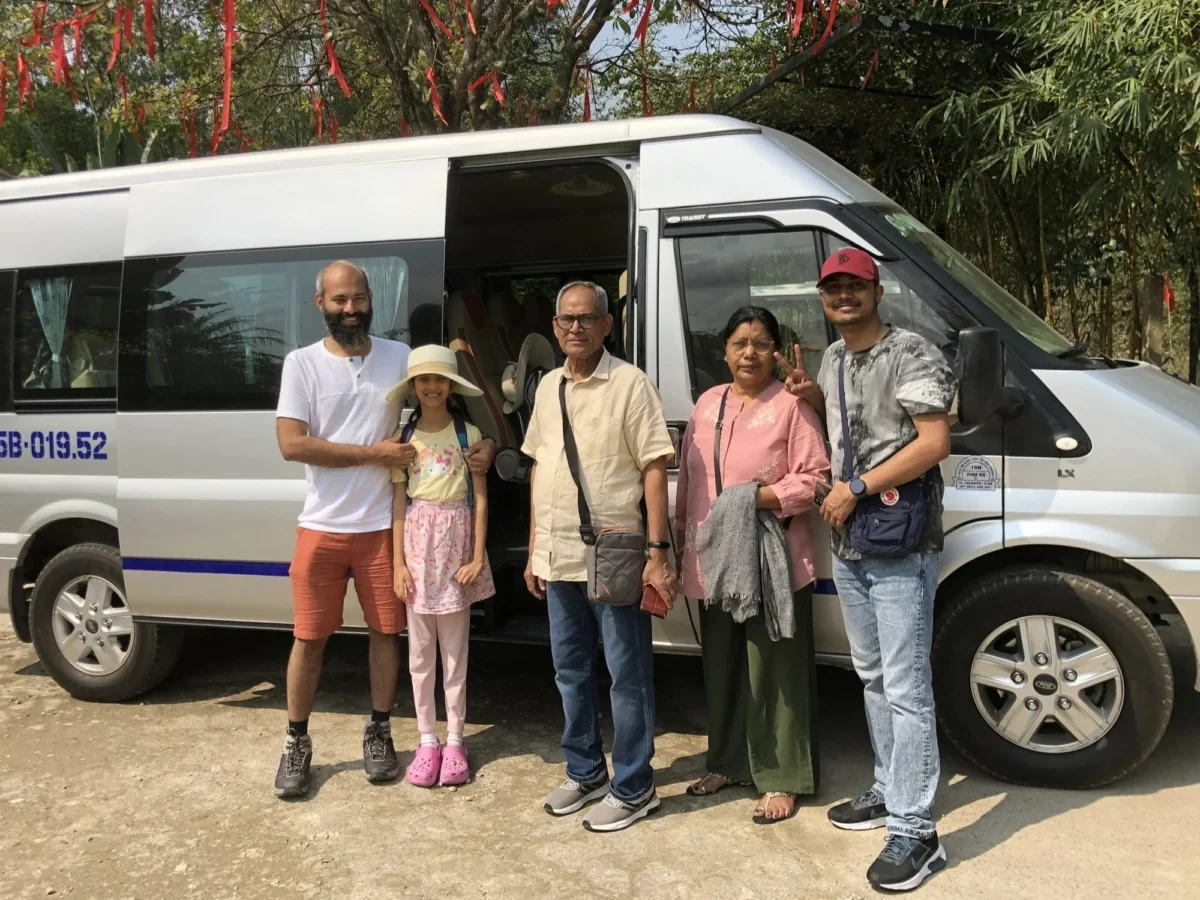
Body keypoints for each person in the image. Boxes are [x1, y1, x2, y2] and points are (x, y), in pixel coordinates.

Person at [273, 260, 496, 799]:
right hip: (323, 524)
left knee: (387, 636)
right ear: (320, 304)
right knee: (308, 638)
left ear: (372, 299)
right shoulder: (301, 364)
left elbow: (454, 413)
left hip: (388, 528)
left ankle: (380, 730)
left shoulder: (401, 359)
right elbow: (291, 444)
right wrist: (373, 454)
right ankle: (296, 742)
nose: (350, 309)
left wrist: (487, 446)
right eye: (338, 300)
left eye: (358, 299)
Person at [792, 247, 955, 891]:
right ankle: (889, 789)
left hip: (901, 539)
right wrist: (810, 397)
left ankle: (917, 833)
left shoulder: (910, 353)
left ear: (876, 290)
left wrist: (855, 486)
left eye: (854, 285)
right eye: (833, 287)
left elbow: (934, 441)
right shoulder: (833, 358)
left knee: (908, 687)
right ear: (823, 295)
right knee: (873, 675)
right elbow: (847, 429)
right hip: (852, 540)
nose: (843, 296)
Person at [521, 280, 677, 833]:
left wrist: (658, 551)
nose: (576, 328)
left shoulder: (630, 384)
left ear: (607, 325)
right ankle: (585, 771)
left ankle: (635, 787)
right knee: (570, 671)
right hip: (557, 551)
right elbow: (540, 465)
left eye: (587, 318)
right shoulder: (547, 388)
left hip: (614, 551)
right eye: (566, 319)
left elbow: (655, 465)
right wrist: (535, 546)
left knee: (626, 673)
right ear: (555, 325)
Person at [674, 306, 830, 824]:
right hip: (715, 555)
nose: (749, 353)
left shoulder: (792, 406)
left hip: (773, 559)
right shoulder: (707, 402)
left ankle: (783, 776)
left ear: (777, 353)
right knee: (722, 665)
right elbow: (691, 483)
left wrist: (756, 498)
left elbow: (816, 478)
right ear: (724, 351)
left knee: (775, 668)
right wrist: (680, 541)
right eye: (740, 342)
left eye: (761, 343)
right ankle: (728, 762)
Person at [388, 344, 496, 788]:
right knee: (419, 656)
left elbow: (481, 499)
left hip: (454, 554)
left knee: (455, 655)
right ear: (413, 387)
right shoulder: (405, 440)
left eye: (440, 379)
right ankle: (426, 739)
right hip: (417, 553)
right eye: (423, 379)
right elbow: (398, 503)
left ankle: (455, 738)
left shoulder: (468, 434)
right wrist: (398, 564)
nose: (432, 387)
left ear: (451, 386)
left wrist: (475, 557)